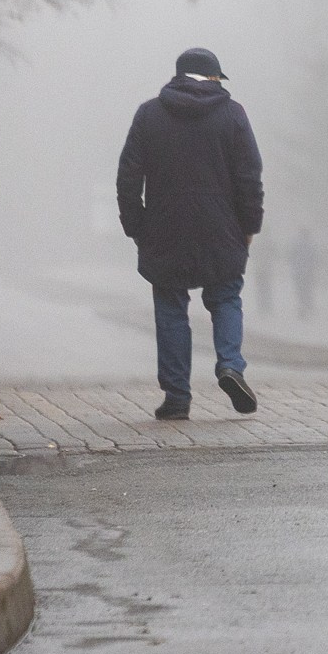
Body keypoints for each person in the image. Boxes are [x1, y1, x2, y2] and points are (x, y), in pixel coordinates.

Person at [116, 47, 264, 420]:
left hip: (164, 229)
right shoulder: (233, 115)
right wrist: (249, 226)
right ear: (213, 77)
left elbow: (128, 177)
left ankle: (177, 396)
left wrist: (136, 226)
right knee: (226, 297)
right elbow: (249, 177)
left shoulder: (149, 114)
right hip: (222, 227)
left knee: (170, 308)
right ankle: (230, 365)